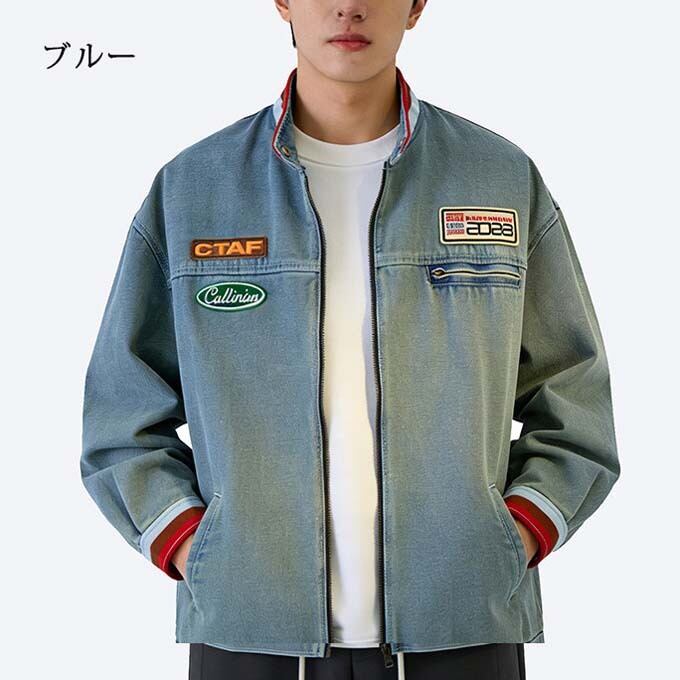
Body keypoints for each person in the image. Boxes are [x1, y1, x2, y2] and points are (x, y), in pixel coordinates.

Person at [80, 2, 621, 679]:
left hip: (462, 629)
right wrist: (196, 547)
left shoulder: (498, 178)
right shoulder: (193, 190)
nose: (348, 6)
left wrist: (515, 535)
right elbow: (120, 414)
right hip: (250, 638)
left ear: (416, 5)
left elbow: (573, 392)